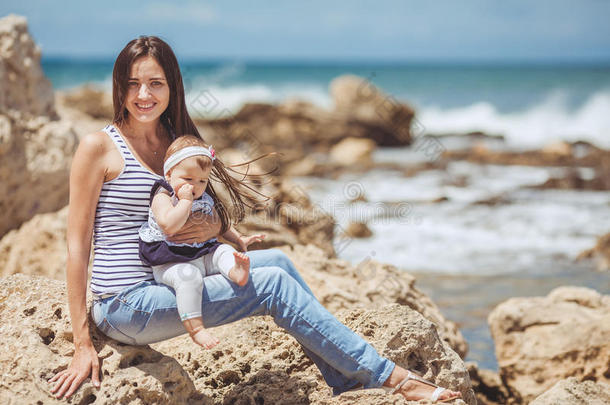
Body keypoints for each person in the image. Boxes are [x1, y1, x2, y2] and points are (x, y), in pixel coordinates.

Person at [48, 36, 461, 403]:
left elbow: (200, 216)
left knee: (279, 262)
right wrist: (81, 341)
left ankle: (345, 377)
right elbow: (76, 244)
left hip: (168, 280)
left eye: (156, 83)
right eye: (134, 83)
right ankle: (393, 378)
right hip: (125, 305)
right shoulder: (98, 146)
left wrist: (217, 231)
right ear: (119, 86)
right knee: (273, 285)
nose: (143, 94)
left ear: (173, 87)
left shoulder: (174, 142)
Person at [138, 134, 266, 349]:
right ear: (169, 174)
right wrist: (185, 201)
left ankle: (236, 272)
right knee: (190, 278)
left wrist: (239, 238)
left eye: (202, 181)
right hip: (169, 261)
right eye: (188, 179)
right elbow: (169, 225)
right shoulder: (163, 195)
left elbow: (222, 225)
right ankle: (196, 328)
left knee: (223, 251)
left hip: (200, 253)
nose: (195, 186)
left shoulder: (202, 197)